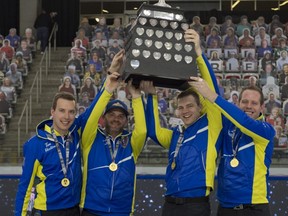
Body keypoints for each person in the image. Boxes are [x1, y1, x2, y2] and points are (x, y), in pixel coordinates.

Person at [15, 52, 125, 216]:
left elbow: (94, 109)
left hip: (74, 210)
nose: (66, 117)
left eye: (71, 112)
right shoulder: (35, 144)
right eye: (62, 111)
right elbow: (25, 186)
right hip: (47, 211)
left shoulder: (76, 130)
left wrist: (110, 77)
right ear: (52, 112)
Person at [144, 29, 222, 216]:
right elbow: (153, 131)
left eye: (189, 106)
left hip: (196, 205)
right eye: (181, 108)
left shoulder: (212, 126)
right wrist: (151, 97)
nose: (185, 111)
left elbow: (212, 90)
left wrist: (198, 54)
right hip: (170, 202)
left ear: (200, 108)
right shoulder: (176, 134)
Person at [190, 73, 275, 216]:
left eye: (254, 103)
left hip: (254, 208)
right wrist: (200, 56)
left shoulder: (266, 130)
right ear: (238, 104)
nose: (249, 106)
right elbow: (212, 107)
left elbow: (244, 122)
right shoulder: (228, 125)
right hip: (225, 207)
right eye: (245, 102)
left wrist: (212, 95)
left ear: (262, 107)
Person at [80, 51, 147, 216]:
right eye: (112, 114)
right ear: (104, 117)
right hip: (92, 209)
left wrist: (136, 96)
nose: (116, 119)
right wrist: (109, 88)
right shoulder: (90, 138)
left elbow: (143, 130)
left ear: (126, 121)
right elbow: (90, 118)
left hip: (122, 211)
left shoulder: (132, 143)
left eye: (121, 116)